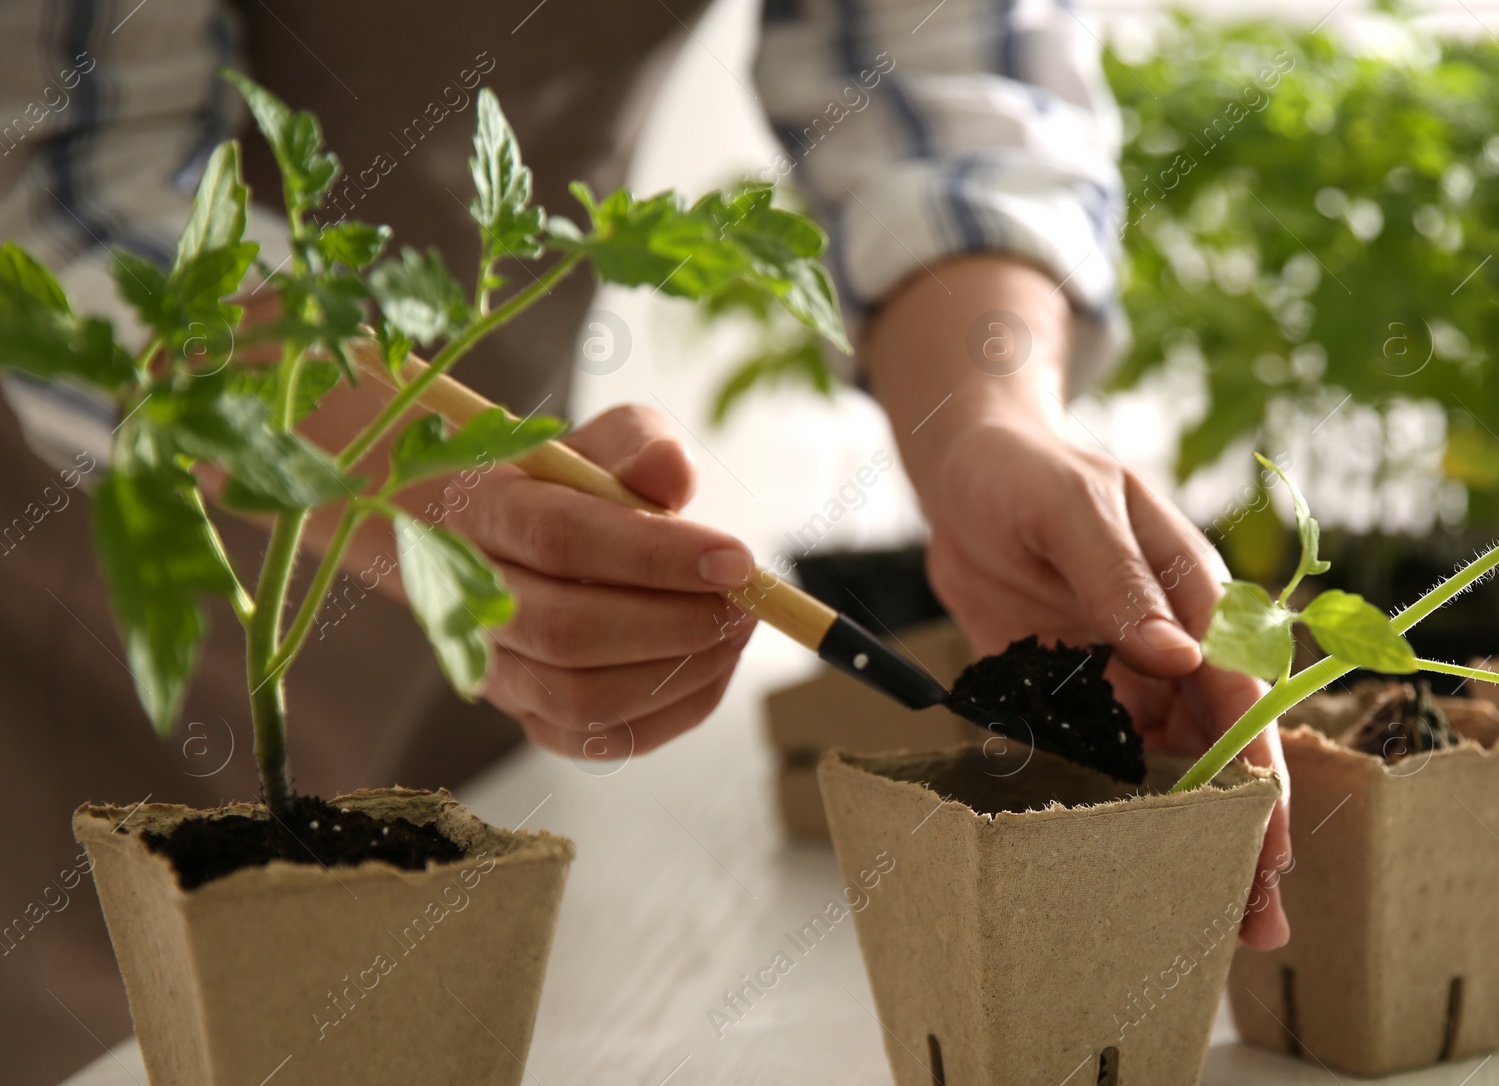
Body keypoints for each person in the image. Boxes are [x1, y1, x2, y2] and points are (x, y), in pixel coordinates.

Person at [0, 0, 1289, 1079]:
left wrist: (992, 425)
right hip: (75, 643)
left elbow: (945, 70)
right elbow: (69, 185)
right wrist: (432, 490)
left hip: (465, 670)